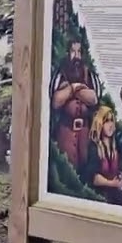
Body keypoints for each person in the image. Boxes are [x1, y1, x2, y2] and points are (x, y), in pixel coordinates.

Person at [50, 40, 100, 171]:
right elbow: (56, 101)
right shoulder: (60, 74)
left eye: (79, 52)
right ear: (68, 53)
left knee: (85, 168)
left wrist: (71, 90)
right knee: (67, 169)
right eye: (73, 51)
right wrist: (75, 87)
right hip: (66, 131)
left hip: (85, 133)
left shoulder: (90, 75)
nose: (76, 56)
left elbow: (93, 99)